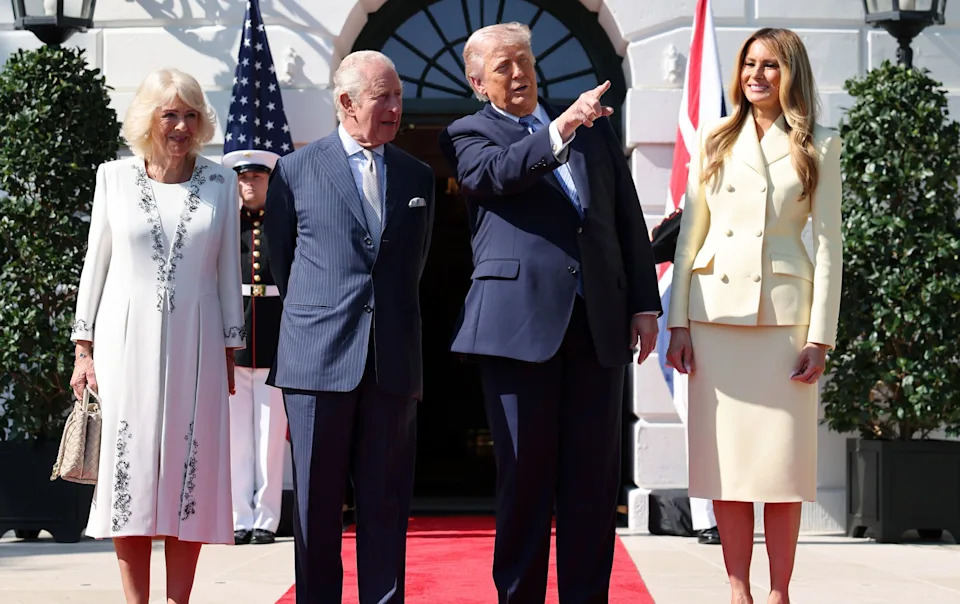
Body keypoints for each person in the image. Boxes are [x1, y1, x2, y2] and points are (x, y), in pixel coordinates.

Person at [439, 23, 661, 603]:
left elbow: (625, 220)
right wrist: (562, 128)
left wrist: (643, 303)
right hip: (519, 331)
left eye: (525, 62)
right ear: (477, 82)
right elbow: (495, 176)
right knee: (526, 480)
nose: (519, 74)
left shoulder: (594, 135)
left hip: (598, 325)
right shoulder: (470, 132)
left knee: (591, 484)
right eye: (504, 67)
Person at [666, 27, 842, 604]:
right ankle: (738, 590)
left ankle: (780, 593)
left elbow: (829, 246)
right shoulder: (715, 138)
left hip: (785, 327)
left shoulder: (819, 143)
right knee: (728, 469)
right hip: (716, 319)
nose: (756, 75)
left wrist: (821, 338)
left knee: (783, 471)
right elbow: (690, 237)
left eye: (769, 65)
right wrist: (679, 323)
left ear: (791, 72)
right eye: (749, 64)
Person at [264, 50, 434, 603]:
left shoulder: (417, 175)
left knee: (386, 506)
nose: (394, 110)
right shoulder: (294, 170)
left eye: (398, 97)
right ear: (345, 102)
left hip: (391, 364)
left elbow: (414, 265)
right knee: (315, 509)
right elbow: (281, 261)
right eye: (382, 97)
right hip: (316, 364)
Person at [69, 68, 244, 603]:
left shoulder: (222, 181)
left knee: (187, 478)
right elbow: (94, 264)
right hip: (124, 346)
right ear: (149, 119)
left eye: (192, 114)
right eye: (170, 113)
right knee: (133, 475)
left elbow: (227, 272)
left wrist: (231, 346)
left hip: (199, 346)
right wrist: (83, 350)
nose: (181, 125)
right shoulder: (112, 178)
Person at [221, 149, 288, 546]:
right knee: (236, 437)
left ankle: (266, 518)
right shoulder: (227, 226)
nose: (249, 185)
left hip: (275, 340)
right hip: (235, 342)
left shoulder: (282, 225)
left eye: (257, 179)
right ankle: (237, 516)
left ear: (268, 181)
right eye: (243, 178)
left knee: (269, 437)